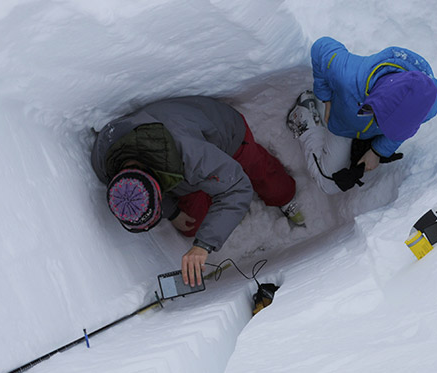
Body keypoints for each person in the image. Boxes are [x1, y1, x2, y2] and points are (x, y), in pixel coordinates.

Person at [91, 96, 303, 287]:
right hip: (178, 166)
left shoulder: (191, 154)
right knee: (191, 224)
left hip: (227, 137)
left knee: (265, 177)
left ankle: (283, 197)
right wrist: (171, 212)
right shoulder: (105, 162)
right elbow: (138, 193)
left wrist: (204, 245)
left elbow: (238, 187)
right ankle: (222, 205)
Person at [286, 36, 437, 193]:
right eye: (381, 120)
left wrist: (377, 151)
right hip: (342, 124)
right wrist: (325, 97)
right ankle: (305, 114)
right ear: (376, 100)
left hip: (362, 127)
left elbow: (402, 131)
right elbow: (320, 47)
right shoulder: (349, 75)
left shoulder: (428, 104)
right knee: (329, 184)